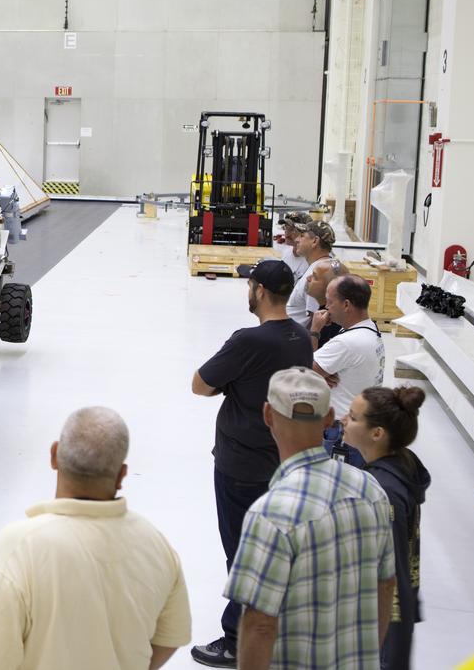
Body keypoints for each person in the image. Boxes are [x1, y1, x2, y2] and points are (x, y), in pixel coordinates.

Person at [0, 407, 191, 670]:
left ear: (54, 455)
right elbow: (171, 637)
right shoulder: (156, 546)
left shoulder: (17, 550)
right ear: (122, 475)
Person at [225, 368, 397, 670]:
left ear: (267, 414)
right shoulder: (370, 489)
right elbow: (386, 585)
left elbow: (260, 625)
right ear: (329, 417)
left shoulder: (269, 514)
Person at [189, 260, 312, 668]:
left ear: (259, 290)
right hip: (282, 460)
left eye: (249, 284)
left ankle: (236, 639)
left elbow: (200, 384)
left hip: (241, 466)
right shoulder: (300, 338)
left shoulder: (249, 341)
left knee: (241, 553)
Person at [343, 386, 432, 670]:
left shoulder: (384, 491)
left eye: (353, 417)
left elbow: (394, 573)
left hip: (381, 630)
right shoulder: (401, 467)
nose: (344, 420)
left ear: (377, 433)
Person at [314, 275, 386, 464]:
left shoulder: (347, 342)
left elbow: (304, 373)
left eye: (329, 302)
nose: (326, 308)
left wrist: (314, 330)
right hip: (361, 424)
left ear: (346, 305)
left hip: (342, 432)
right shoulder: (369, 329)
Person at [286, 219, 336, 328]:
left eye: (302, 236)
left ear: (315, 241)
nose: (297, 239)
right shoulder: (324, 266)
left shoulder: (318, 272)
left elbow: (317, 319)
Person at [304, 258, 349, 348]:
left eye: (315, 277)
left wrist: (314, 332)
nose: (308, 278)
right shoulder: (329, 313)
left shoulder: (331, 322)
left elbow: (313, 360)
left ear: (330, 286)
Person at [273, 211, 311, 280]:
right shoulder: (286, 253)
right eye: (286, 227)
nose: (287, 232)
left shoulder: (310, 261)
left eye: (293, 229)